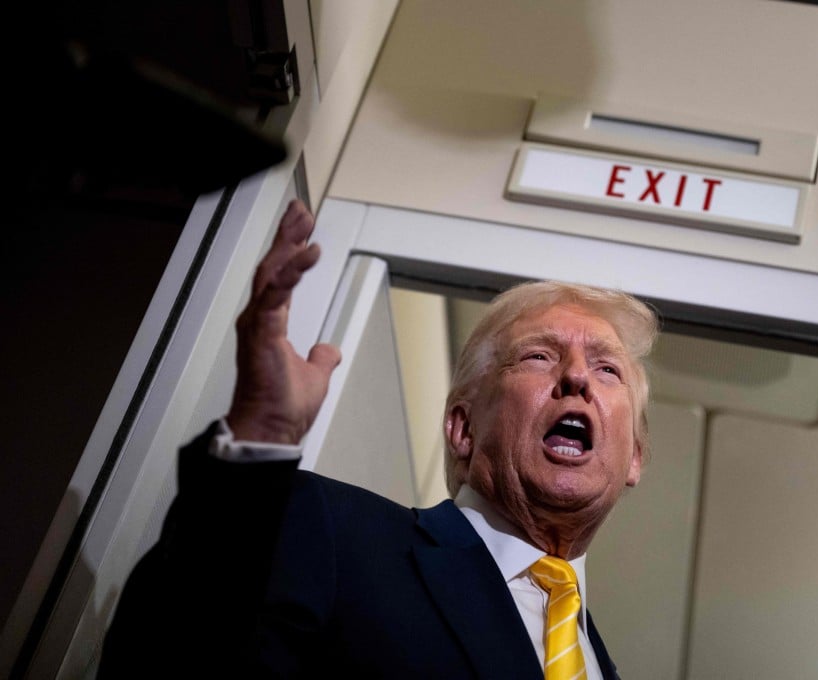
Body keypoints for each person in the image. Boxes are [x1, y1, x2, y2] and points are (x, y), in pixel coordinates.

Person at [99, 199, 653, 678]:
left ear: (634, 457)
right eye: (539, 355)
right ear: (461, 428)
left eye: (608, 370)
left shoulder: (601, 664)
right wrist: (261, 438)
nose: (577, 377)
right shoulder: (334, 531)